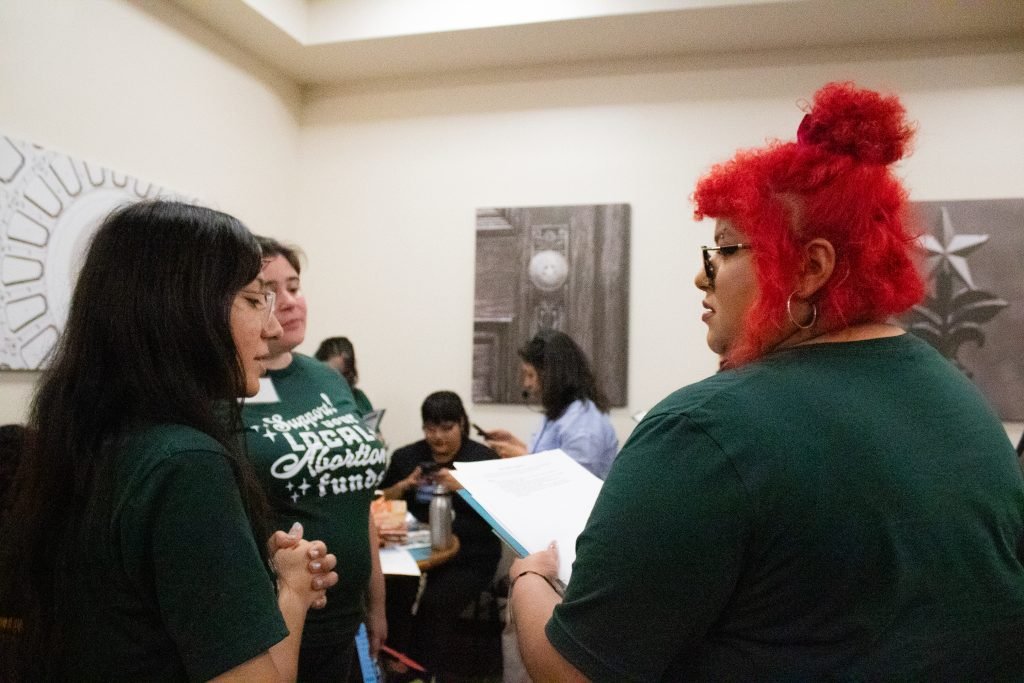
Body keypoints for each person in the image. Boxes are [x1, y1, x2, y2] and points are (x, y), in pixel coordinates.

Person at [507, 82, 1024, 680]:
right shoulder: (960, 401)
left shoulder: (703, 430)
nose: (702, 278)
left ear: (809, 269)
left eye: (724, 249)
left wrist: (528, 577)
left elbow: (575, 673)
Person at [0, 201, 338, 681]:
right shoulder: (187, 464)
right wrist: (294, 588)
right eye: (251, 299)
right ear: (183, 311)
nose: (273, 327)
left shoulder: (91, 437)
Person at [241, 236, 388, 682]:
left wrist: (377, 604)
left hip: (347, 621)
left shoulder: (327, 378)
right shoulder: (230, 386)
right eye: (267, 292)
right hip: (278, 622)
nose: (288, 303)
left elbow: (356, 498)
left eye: (294, 286)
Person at [379, 391, 502, 678]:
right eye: (430, 428)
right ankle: (392, 659)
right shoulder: (407, 457)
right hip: (412, 551)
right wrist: (405, 486)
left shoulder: (483, 460)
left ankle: (419, 670)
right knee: (394, 588)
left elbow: (498, 517)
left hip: (472, 555)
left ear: (462, 425)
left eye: (447, 428)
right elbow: (380, 500)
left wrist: (464, 486)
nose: (438, 437)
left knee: (435, 604)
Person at [485, 330, 618, 479]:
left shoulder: (583, 421)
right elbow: (548, 458)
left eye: (531, 375)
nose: (526, 384)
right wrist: (515, 444)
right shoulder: (560, 412)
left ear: (552, 376)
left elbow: (577, 479)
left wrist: (521, 458)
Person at [315, 336, 373, 416]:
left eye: (345, 374)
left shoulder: (359, 398)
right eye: (332, 374)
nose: (339, 380)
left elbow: (373, 426)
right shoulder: (311, 401)